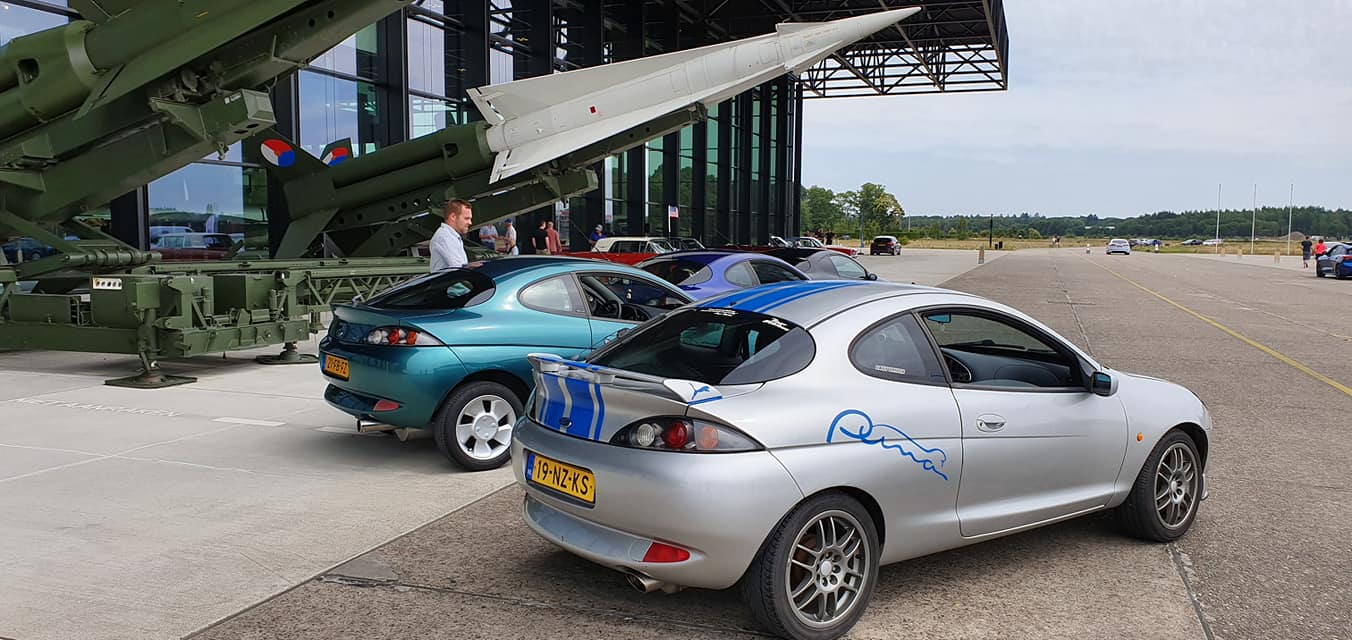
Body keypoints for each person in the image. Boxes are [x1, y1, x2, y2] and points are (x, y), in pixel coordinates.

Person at [429, 199, 472, 272]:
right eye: (466, 218)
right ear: (453, 217)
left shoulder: (450, 236)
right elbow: (459, 269)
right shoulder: (444, 236)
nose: (470, 222)